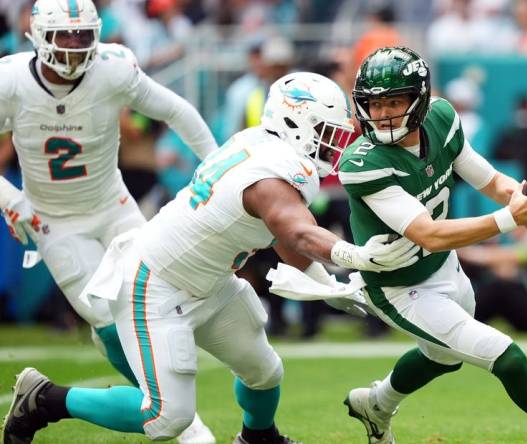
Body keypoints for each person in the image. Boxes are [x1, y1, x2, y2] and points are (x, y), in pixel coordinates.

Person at [2, 72, 421, 444]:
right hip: (156, 285)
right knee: (166, 418)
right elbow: (293, 228)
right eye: (328, 131)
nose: (336, 143)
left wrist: (325, 284)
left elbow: (279, 233)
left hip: (211, 280)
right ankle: (43, 400)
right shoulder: (273, 171)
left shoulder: (262, 145)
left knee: (264, 371)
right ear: (296, 123)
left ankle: (259, 437)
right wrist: (357, 257)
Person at [339, 46, 527, 444]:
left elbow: (488, 179)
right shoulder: (362, 163)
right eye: (375, 103)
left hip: (442, 266)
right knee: (506, 358)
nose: (383, 114)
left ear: (418, 100)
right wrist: (511, 219)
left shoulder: (440, 118)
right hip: (399, 286)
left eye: (394, 101)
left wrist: (520, 197)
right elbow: (428, 233)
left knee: (443, 357)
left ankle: (377, 404)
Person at [0, 0, 218, 442]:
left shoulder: (113, 69)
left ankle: (165, 401)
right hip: (55, 220)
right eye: (66, 35)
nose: (76, 47)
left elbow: (175, 109)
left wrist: (218, 165)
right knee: (102, 314)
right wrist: (9, 197)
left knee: (152, 295)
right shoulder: (11, 80)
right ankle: (160, 403)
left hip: (113, 204)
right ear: (39, 35)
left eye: (84, 35)